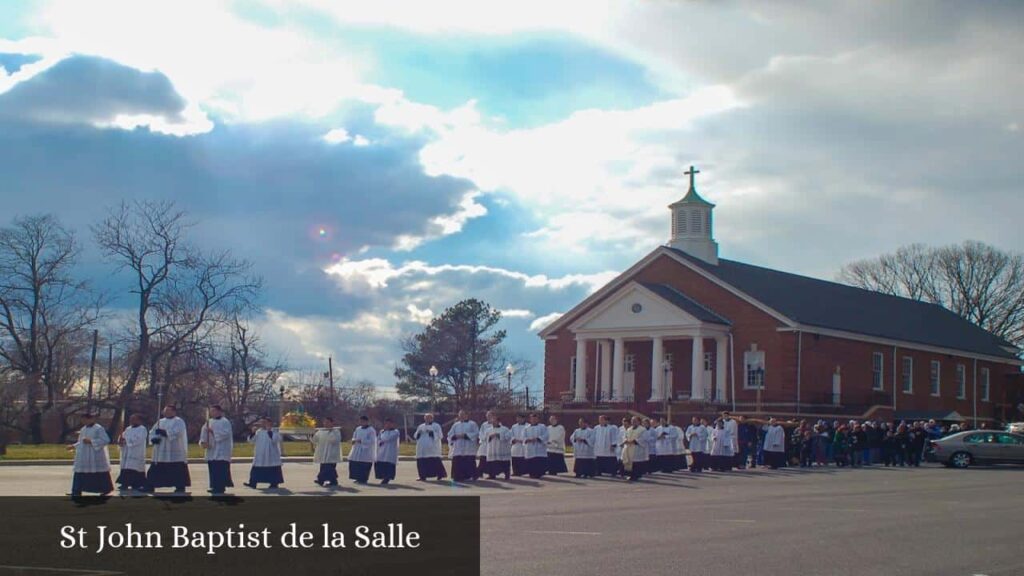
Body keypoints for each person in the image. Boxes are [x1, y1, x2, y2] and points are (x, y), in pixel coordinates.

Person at [68, 412, 114, 496]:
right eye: (82, 420)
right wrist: (73, 446)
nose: (84, 422)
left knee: (99, 473)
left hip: (95, 455)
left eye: (85, 420)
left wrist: (91, 441)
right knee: (80, 471)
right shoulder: (83, 429)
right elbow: (81, 441)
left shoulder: (98, 428)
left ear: (91, 419)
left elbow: (106, 440)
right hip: (84, 455)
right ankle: (76, 490)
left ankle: (105, 489)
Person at [148, 405, 190, 493]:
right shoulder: (160, 421)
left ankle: (180, 486)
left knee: (177, 469)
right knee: (156, 468)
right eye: (165, 411)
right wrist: (154, 438)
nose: (166, 412)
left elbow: (178, 432)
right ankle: (150, 485)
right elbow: (152, 431)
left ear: (174, 411)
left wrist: (165, 433)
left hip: (174, 449)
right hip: (161, 450)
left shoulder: (179, 421)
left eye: (168, 411)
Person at [199, 405, 233, 494]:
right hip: (211, 449)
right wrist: (203, 442)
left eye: (214, 411)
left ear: (219, 411)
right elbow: (203, 432)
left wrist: (213, 431)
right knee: (213, 469)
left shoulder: (225, 422)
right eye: (211, 411)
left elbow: (226, 434)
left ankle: (220, 487)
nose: (212, 413)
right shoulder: (208, 422)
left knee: (220, 469)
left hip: (222, 450)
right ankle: (214, 485)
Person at [245, 417, 283, 489]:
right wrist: (252, 433)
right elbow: (251, 441)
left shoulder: (274, 431)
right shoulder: (259, 432)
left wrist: (269, 431)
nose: (262, 424)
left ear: (269, 423)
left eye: (264, 422)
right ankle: (253, 483)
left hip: (271, 454)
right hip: (260, 454)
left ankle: (274, 483)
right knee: (256, 469)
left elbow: (275, 439)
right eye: (262, 423)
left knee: (273, 469)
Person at [116, 413, 148, 492]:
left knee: (134, 468)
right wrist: (120, 440)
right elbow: (123, 437)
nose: (131, 421)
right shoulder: (128, 429)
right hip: (127, 452)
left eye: (134, 419)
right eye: (131, 419)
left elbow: (139, 439)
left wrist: (127, 441)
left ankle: (137, 484)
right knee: (126, 468)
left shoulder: (142, 429)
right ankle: (124, 483)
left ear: (139, 420)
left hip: (136, 451)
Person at [448, 410, 479, 482]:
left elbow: (476, 433)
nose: (461, 416)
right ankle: (457, 476)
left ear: (466, 415)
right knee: (458, 461)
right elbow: (450, 434)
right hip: (458, 445)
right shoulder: (456, 425)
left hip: (468, 446)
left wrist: (465, 435)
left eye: (463, 414)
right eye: (460, 415)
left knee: (469, 461)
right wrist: (455, 436)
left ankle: (470, 476)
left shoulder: (472, 424)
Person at [413, 413, 446, 481]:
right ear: (424, 418)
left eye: (429, 418)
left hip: (432, 448)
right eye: (426, 418)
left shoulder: (436, 426)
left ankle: (440, 475)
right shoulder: (421, 426)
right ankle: (422, 476)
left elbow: (440, 435)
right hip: (422, 448)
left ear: (432, 418)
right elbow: (415, 435)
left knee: (435, 462)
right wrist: (419, 433)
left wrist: (432, 432)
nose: (427, 419)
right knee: (422, 463)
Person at [311, 416, 342, 486]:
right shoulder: (320, 431)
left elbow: (335, 441)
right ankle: (332, 480)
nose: (326, 424)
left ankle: (321, 479)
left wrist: (331, 432)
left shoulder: (336, 431)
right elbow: (314, 440)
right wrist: (312, 433)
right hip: (322, 453)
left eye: (327, 422)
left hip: (331, 453)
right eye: (324, 422)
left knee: (329, 467)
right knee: (324, 467)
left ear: (332, 423)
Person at [483, 413, 512, 480]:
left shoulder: (505, 429)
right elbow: (484, 438)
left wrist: (498, 435)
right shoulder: (488, 430)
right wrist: (489, 437)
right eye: (492, 421)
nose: (493, 422)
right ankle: (492, 475)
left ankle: (507, 475)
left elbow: (508, 437)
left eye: (494, 421)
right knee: (492, 463)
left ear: (498, 421)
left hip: (502, 449)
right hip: (492, 449)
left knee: (504, 462)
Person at [349, 415, 376, 484]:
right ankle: (358, 478)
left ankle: (364, 479)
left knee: (364, 465)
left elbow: (372, 441)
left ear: (367, 421)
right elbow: (354, 436)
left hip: (366, 450)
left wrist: (361, 441)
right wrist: (353, 440)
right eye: (360, 421)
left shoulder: (371, 430)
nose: (362, 422)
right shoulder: (358, 429)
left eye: (363, 421)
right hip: (357, 448)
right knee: (356, 464)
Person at [523, 412, 549, 479]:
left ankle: (539, 473)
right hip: (530, 447)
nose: (534, 420)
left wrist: (538, 438)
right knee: (531, 461)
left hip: (539, 448)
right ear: (530, 419)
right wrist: (527, 440)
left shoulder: (542, 426)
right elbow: (523, 437)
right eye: (532, 419)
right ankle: (532, 473)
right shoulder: (526, 428)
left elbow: (546, 435)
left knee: (539, 461)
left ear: (538, 419)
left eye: (535, 419)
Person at [376, 418, 400, 485]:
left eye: (389, 423)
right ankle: (383, 476)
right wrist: (380, 442)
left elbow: (388, 439)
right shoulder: (382, 431)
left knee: (389, 465)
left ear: (392, 424)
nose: (388, 425)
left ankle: (387, 478)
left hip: (390, 451)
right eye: (386, 423)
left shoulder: (395, 431)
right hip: (382, 450)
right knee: (381, 463)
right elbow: (378, 439)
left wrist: (382, 440)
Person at [620, 417, 645, 481]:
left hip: (636, 448)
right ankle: (630, 475)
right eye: (632, 421)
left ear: (639, 422)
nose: (633, 422)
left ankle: (636, 475)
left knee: (636, 463)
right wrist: (625, 440)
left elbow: (643, 438)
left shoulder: (642, 429)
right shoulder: (629, 429)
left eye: (635, 421)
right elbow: (625, 436)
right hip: (628, 447)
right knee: (629, 462)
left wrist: (634, 441)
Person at [476, 410, 494, 478]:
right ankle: (480, 473)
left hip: (492, 444)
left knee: (491, 460)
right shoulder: (484, 424)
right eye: (487, 415)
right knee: (482, 459)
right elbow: (480, 433)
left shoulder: (496, 424)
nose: (488, 417)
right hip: (484, 444)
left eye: (490, 415)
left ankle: (491, 474)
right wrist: (484, 438)